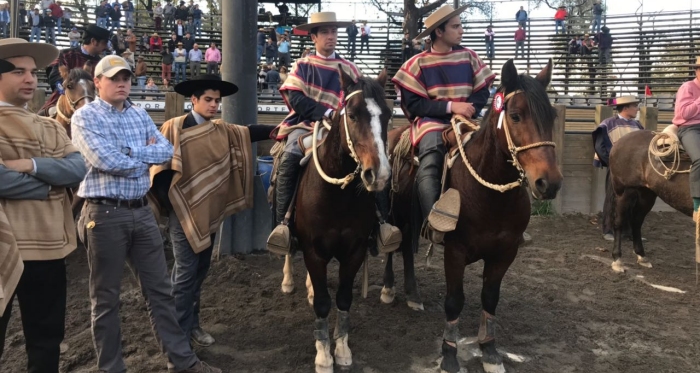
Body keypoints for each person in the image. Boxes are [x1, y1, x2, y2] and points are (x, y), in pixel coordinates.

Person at [71, 54, 221, 373]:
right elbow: (104, 160)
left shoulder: (138, 114)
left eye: (125, 77)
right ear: (97, 82)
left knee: (160, 291)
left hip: (141, 212)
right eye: (114, 78)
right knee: (107, 299)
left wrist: (128, 151)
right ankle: (112, 368)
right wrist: (141, 157)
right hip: (104, 213)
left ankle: (182, 360)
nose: (122, 82)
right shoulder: (86, 117)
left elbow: (165, 151)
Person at [150, 74, 274, 348]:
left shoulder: (220, 130)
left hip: (210, 214)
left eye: (217, 101)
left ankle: (192, 326)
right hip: (182, 214)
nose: (214, 105)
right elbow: (159, 171)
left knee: (200, 272)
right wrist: (174, 207)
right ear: (193, 100)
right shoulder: (174, 127)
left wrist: (276, 131)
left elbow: (247, 131)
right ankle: (178, 338)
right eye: (208, 100)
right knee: (184, 275)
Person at [267, 12, 401, 255]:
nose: (331, 36)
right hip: (306, 125)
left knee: (376, 160)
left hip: (344, 131)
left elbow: (361, 103)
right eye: (325, 32)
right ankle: (283, 225)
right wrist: (325, 113)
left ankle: (381, 223)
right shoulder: (302, 65)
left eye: (334, 32)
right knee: (289, 156)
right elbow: (296, 98)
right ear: (314, 37)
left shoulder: (349, 68)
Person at [0, 38, 86, 373]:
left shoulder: (49, 125)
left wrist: (30, 166)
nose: (30, 79)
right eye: (19, 71)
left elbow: (78, 169)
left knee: (47, 342)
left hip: (48, 251)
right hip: (4, 248)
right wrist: (48, 185)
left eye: (33, 72)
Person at [392, 4, 495, 245]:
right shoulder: (416, 64)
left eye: (460, 25)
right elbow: (415, 105)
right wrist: (451, 107)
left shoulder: (469, 56)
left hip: (467, 121)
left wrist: (469, 108)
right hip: (431, 124)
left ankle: (504, 221)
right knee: (430, 160)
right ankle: (433, 221)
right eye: (456, 26)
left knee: (497, 150)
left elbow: (482, 92)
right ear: (439, 32)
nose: (461, 31)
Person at [592, 96, 643, 240]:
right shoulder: (608, 123)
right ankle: (608, 230)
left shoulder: (638, 125)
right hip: (616, 168)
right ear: (625, 108)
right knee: (613, 197)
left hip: (635, 169)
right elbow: (600, 146)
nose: (637, 109)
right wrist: (613, 163)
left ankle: (629, 232)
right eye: (634, 106)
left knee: (633, 199)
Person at [42, 24, 110, 112]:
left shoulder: (102, 63)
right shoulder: (65, 55)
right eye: (104, 43)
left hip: (94, 104)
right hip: (62, 101)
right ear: (93, 41)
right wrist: (66, 89)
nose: (106, 47)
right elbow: (55, 78)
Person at [674, 57, 700, 222]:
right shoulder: (687, 88)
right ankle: (698, 203)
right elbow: (684, 114)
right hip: (690, 128)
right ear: (697, 71)